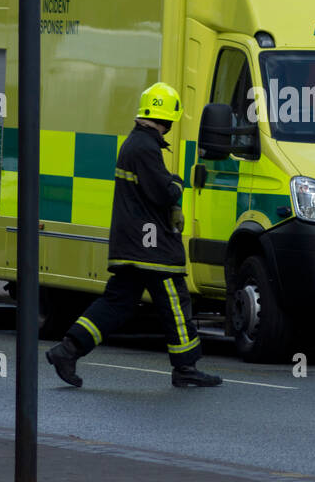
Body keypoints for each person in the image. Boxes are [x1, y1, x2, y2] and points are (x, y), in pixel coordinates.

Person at [46, 82, 222, 389]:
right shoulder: (145, 148)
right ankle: (186, 368)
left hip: (134, 243)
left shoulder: (136, 144)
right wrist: (178, 184)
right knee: (174, 301)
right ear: (166, 118)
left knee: (117, 303)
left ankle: (67, 350)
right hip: (150, 245)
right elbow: (163, 193)